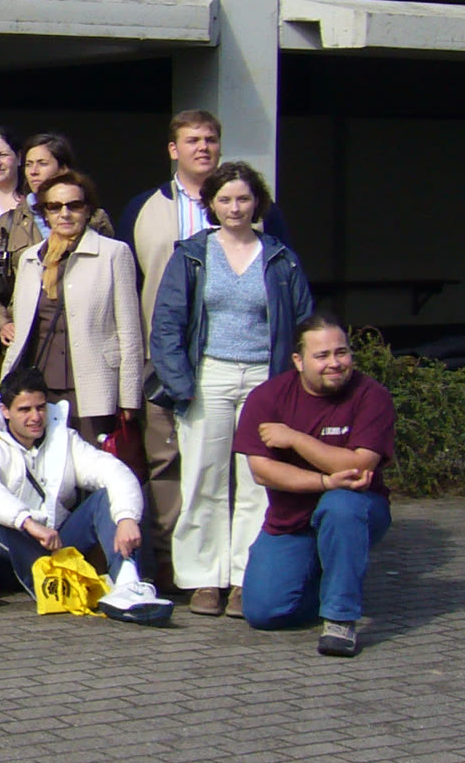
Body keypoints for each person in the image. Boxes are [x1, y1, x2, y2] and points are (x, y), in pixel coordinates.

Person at [121, 109, 292, 582]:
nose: (202, 147)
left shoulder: (265, 219)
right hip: (171, 357)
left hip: (250, 364)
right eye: (192, 139)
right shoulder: (144, 209)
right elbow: (131, 284)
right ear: (173, 149)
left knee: (248, 472)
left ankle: (245, 571)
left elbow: (286, 290)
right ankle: (182, 567)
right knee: (179, 467)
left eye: (210, 139)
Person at [149, 161, 315, 618]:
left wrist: (294, 387)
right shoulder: (193, 255)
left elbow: (302, 322)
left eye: (243, 198)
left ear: (257, 202)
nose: (235, 207)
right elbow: (167, 324)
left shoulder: (280, 258)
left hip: (266, 380)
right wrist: (180, 384)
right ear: (211, 204)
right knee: (203, 476)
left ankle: (247, 577)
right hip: (210, 376)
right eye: (225, 199)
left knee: (258, 482)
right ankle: (203, 579)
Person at [234, 316, 395, 656]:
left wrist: (295, 439)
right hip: (291, 519)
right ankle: (333, 580)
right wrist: (325, 480)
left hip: (357, 510)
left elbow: (359, 466)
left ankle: (340, 618)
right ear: (298, 360)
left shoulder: (372, 396)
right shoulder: (268, 397)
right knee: (264, 612)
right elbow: (262, 471)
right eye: (322, 355)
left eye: (341, 352)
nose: (334, 363)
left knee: (340, 504)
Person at [0, 369, 169, 623]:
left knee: (106, 498)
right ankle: (51, 585)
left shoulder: (63, 437)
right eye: (24, 410)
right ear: (5, 411)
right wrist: (27, 522)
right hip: (13, 548)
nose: (36, 417)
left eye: (40, 408)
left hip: (55, 542)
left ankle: (127, 584)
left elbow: (112, 470)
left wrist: (126, 518)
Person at [2, 171, 145, 463]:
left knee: (94, 467)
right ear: (44, 213)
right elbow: (24, 328)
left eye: (74, 205)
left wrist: (129, 396)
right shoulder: (30, 258)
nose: (64, 214)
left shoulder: (113, 253)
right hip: (41, 384)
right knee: (46, 467)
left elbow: (129, 330)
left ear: (88, 209)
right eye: (54, 207)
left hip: (94, 384)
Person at [0, 133, 117, 341]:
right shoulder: (9, 223)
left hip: (85, 331)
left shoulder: (93, 218)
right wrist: (1, 323)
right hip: (29, 332)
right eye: (28, 164)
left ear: (63, 168)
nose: (33, 171)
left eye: (42, 163)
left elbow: (113, 282)